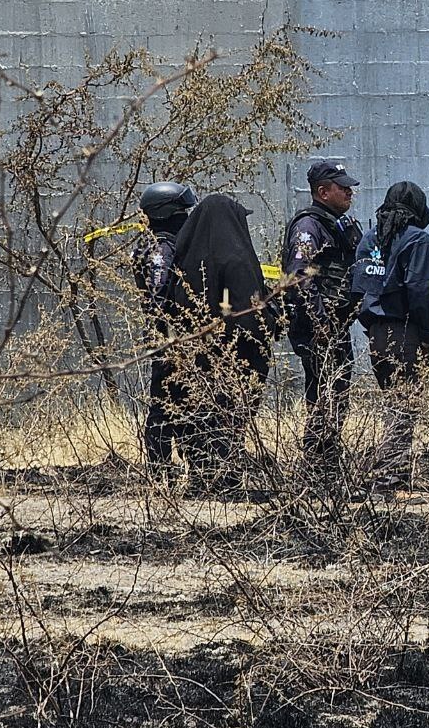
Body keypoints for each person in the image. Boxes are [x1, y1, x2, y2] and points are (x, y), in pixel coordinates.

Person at [164, 194, 278, 490]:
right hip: (233, 358)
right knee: (227, 418)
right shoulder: (237, 259)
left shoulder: (184, 258)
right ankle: (223, 478)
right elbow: (250, 312)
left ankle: (201, 475)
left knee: (197, 414)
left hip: (193, 357)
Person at [351, 181, 429, 494]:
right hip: (407, 332)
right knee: (404, 406)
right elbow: (421, 290)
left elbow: (359, 288)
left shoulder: (370, 239)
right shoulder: (418, 240)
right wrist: (428, 331)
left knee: (395, 403)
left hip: (376, 333)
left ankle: (395, 474)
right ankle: (386, 479)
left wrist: (372, 323)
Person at [282, 160, 363, 465]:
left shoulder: (338, 224)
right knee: (324, 391)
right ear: (323, 191)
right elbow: (298, 275)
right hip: (319, 328)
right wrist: (320, 320)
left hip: (336, 325)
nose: (349, 193)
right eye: (343, 188)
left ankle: (326, 454)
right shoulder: (309, 226)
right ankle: (318, 459)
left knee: (337, 390)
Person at [131, 181, 197, 468]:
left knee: (180, 401)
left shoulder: (160, 244)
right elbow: (159, 293)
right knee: (164, 402)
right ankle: (160, 469)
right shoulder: (162, 249)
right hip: (169, 336)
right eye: (183, 211)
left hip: (172, 335)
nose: (187, 217)